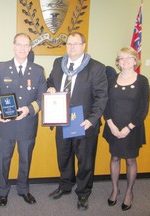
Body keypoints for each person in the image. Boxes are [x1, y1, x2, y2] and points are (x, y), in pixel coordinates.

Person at [47, 32, 108, 210]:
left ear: (83, 45)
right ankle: (65, 185)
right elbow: (51, 79)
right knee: (64, 156)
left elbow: (101, 97)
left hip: (84, 123)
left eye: (76, 44)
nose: (72, 47)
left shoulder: (96, 67)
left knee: (85, 160)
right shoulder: (59, 63)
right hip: (62, 120)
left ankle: (83, 192)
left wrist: (91, 120)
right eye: (69, 44)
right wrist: (50, 86)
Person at [0, 33, 47, 206]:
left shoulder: (38, 70)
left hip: (27, 124)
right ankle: (2, 191)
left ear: (30, 48)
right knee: (4, 160)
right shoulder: (1, 68)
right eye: (19, 44)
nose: (22, 48)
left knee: (25, 160)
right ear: (13, 46)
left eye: (26, 45)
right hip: (5, 125)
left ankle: (23, 189)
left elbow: (42, 98)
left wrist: (29, 109)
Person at [103, 47, 150, 211]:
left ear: (135, 60)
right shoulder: (111, 79)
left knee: (130, 160)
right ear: (118, 62)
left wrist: (128, 128)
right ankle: (115, 189)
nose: (125, 61)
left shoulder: (142, 81)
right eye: (122, 58)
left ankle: (129, 192)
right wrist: (110, 124)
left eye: (129, 58)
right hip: (113, 127)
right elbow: (105, 104)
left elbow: (143, 109)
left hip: (132, 128)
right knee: (114, 158)